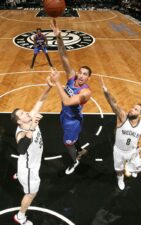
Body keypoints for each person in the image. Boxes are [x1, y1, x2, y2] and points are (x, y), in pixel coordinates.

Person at [100, 77, 141, 190]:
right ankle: (120, 179)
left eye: (135, 110)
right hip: (119, 150)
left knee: (138, 168)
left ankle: (133, 169)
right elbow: (113, 104)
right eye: (133, 108)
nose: (131, 110)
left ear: (140, 115)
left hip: (132, 151)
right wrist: (106, 92)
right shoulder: (123, 117)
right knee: (118, 169)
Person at [50, 19, 92, 175]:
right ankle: (80, 149)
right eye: (80, 72)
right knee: (73, 139)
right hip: (65, 116)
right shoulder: (72, 77)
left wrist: (57, 82)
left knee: (68, 144)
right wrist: (58, 37)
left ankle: (75, 161)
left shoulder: (86, 92)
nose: (81, 75)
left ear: (88, 78)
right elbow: (63, 56)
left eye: (85, 74)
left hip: (72, 122)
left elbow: (67, 101)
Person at [10, 84, 52, 225]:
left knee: (25, 160)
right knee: (31, 194)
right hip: (29, 170)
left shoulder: (31, 117)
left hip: (29, 161)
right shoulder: (21, 132)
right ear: (19, 121)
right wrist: (33, 126)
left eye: (24, 111)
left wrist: (49, 86)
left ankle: (17, 175)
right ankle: (20, 216)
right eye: (22, 114)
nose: (26, 113)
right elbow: (21, 149)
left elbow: (41, 100)